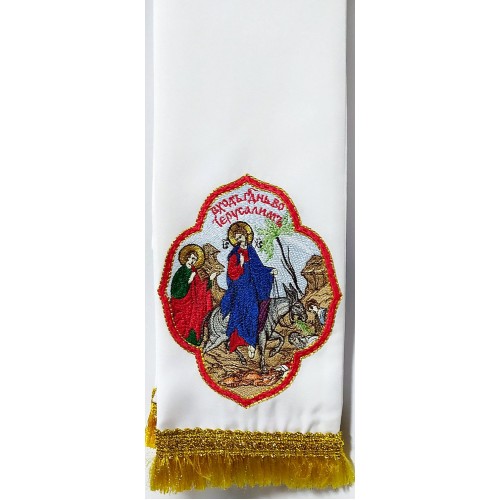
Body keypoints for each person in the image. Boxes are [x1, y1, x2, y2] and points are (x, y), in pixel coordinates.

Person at [220, 222, 278, 358]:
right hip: (240, 288)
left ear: (246, 236)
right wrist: (240, 263)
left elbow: (258, 268)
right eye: (237, 238)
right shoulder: (234, 254)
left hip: (251, 287)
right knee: (240, 313)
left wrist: (270, 271)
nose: (239, 240)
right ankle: (239, 341)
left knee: (253, 312)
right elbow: (231, 274)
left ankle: (251, 343)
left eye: (240, 236)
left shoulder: (251, 251)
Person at [170, 244, 216, 346]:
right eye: (191, 258)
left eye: (194, 259)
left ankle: (194, 341)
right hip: (182, 302)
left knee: (197, 315)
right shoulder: (181, 271)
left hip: (192, 302)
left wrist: (210, 279)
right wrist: (189, 281)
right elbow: (175, 290)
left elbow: (200, 286)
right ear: (187, 257)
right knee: (183, 322)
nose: (192, 261)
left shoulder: (194, 271)